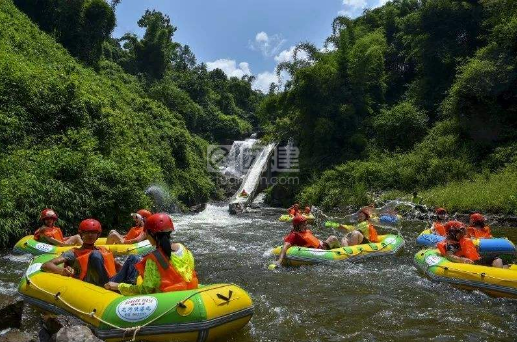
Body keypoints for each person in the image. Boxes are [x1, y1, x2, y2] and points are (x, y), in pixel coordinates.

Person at [105, 213, 198, 294]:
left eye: (147, 234)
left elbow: (145, 290)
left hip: (165, 300)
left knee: (132, 260)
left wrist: (118, 286)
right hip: (187, 294)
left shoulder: (154, 259)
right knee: (134, 259)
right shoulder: (185, 250)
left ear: (151, 234)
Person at [41, 219, 140, 286]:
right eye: (86, 232)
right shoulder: (74, 252)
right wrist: (62, 271)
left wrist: (134, 272)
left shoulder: (103, 250)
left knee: (134, 258)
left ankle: (129, 289)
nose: (90, 235)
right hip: (94, 285)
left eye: (93, 232)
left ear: (98, 235)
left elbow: (117, 267)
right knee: (95, 255)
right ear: (81, 234)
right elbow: (46, 265)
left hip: (112, 283)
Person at [274, 215, 341, 266]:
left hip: (321, 246)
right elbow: (285, 246)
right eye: (303, 225)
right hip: (318, 251)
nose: (306, 226)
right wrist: (280, 260)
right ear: (297, 226)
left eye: (306, 224)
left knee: (335, 238)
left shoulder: (305, 231)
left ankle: (340, 248)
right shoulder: (294, 235)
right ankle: (339, 249)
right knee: (333, 237)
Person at [437, 221, 504, 268]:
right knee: (496, 258)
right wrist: (462, 260)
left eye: (464, 231)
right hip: (472, 262)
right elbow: (449, 255)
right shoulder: (451, 244)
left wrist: (474, 249)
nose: (464, 234)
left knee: (495, 257)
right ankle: (500, 273)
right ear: (453, 233)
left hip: (473, 260)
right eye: (461, 232)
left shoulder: (460, 241)